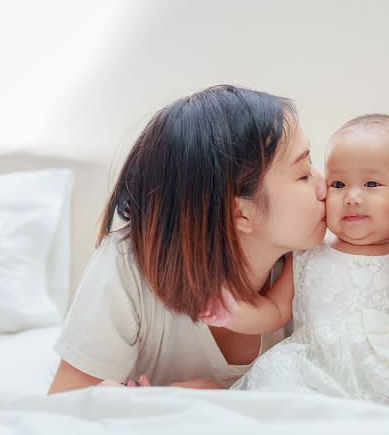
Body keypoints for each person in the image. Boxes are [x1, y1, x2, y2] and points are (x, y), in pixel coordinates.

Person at [202, 114, 389, 412]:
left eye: (371, 184)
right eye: (338, 183)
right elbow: (275, 311)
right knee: (278, 407)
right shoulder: (310, 253)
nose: (352, 197)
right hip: (317, 372)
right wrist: (234, 314)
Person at [48, 85, 328, 393]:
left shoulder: (314, 266)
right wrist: (170, 405)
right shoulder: (127, 269)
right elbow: (65, 406)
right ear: (239, 213)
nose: (324, 185)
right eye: (303, 174)